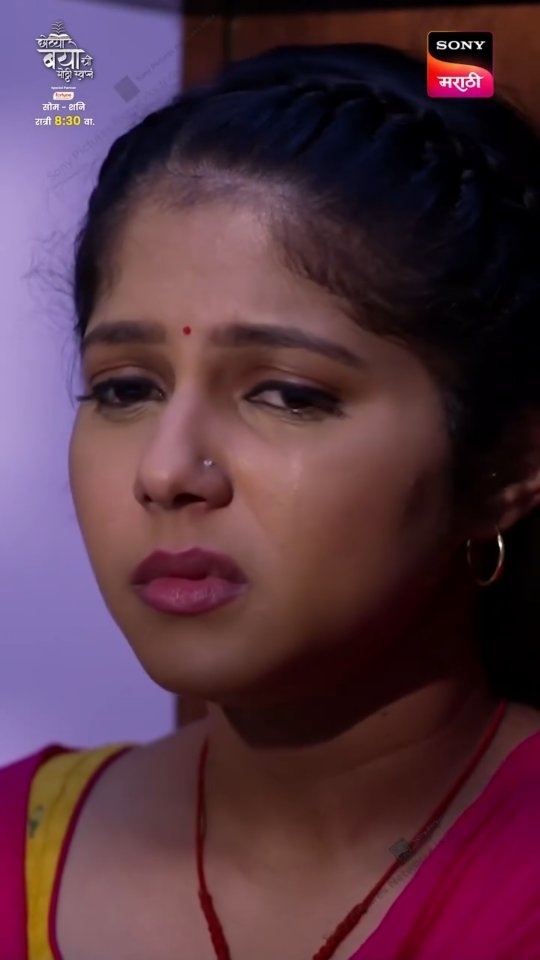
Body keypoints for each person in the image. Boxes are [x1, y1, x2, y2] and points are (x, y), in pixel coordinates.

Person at [2, 40, 540, 960]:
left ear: (505, 469)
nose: (167, 471)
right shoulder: (16, 848)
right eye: (125, 388)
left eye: (288, 395)